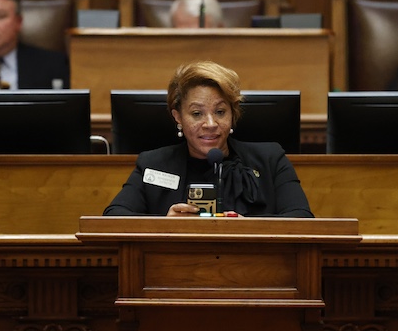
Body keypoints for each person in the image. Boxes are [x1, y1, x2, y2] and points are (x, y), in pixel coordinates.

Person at [103, 60, 314, 218]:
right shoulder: (153, 165)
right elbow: (113, 217)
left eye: (220, 112)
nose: (211, 123)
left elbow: (302, 218)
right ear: (178, 117)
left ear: (233, 114)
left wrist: (249, 229)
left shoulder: (270, 160)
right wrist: (164, 225)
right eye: (197, 114)